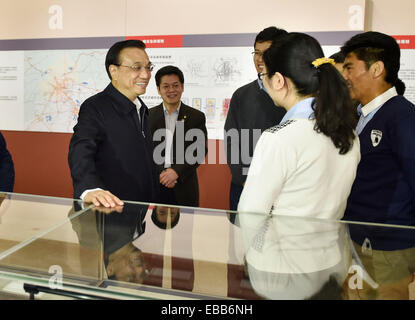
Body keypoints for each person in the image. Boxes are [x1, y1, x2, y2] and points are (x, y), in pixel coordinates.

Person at [237, 33, 360, 293]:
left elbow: (250, 215)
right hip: (330, 264)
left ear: (279, 80)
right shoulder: (349, 134)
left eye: (265, 77)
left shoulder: (280, 138)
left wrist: (256, 256)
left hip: (283, 271)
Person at [341, 31, 415, 299]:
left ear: (376, 69)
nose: (345, 75)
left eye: (350, 67)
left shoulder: (403, 117)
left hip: (390, 248)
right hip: (357, 239)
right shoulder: (360, 116)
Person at [68, 40, 159, 208]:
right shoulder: (95, 107)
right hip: (111, 212)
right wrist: (89, 188)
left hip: (140, 212)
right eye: (136, 67)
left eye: (148, 67)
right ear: (113, 70)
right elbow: (81, 149)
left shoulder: (141, 109)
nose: (146, 75)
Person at [224, 26, 287, 211]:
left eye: (266, 53)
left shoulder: (293, 95)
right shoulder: (241, 95)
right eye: (256, 53)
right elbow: (231, 140)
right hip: (242, 187)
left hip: (281, 193)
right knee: (240, 237)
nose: (260, 59)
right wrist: (244, 181)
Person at [148, 65, 207, 207]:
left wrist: (175, 172)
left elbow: (198, 151)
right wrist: (163, 174)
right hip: (156, 184)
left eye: (175, 85)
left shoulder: (195, 117)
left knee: (185, 228)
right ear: (158, 89)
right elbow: (143, 151)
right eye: (166, 86)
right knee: (154, 228)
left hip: (184, 184)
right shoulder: (147, 116)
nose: (171, 90)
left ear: (182, 87)